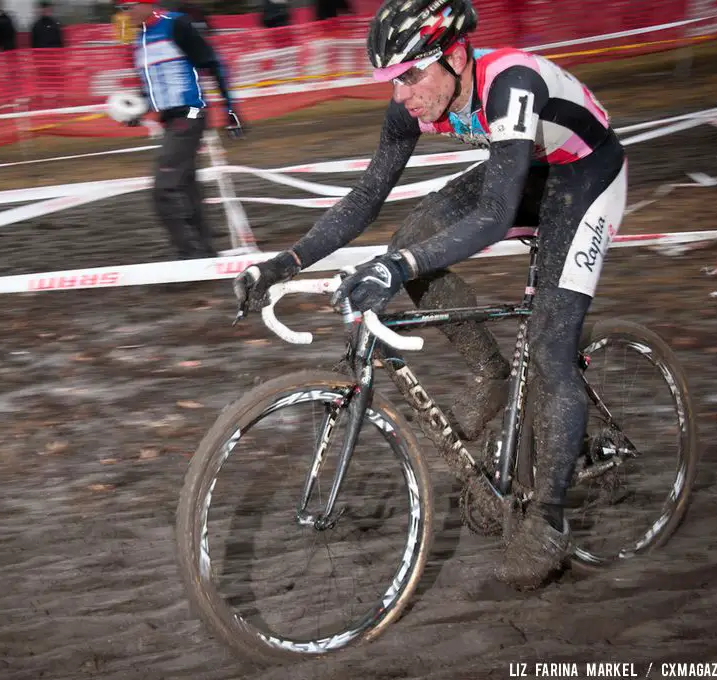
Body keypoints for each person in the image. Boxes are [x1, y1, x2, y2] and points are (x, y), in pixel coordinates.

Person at [233, 0, 627, 589]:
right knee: (413, 233)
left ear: (458, 55)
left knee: (550, 347)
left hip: (586, 177)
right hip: (523, 172)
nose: (402, 94)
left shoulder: (511, 82)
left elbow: (494, 218)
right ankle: (490, 372)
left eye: (411, 75)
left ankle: (547, 524)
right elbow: (366, 198)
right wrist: (283, 263)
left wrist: (395, 269)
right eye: (391, 80)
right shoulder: (413, 105)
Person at [116, 0, 245, 260]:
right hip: (171, 121)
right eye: (121, 8)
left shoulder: (176, 25)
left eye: (129, 6)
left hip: (190, 114)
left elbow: (213, 65)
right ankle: (205, 253)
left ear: (146, 4)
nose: (124, 13)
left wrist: (231, 111)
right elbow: (152, 88)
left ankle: (190, 255)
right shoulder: (138, 41)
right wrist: (136, 110)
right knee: (186, 187)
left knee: (163, 189)